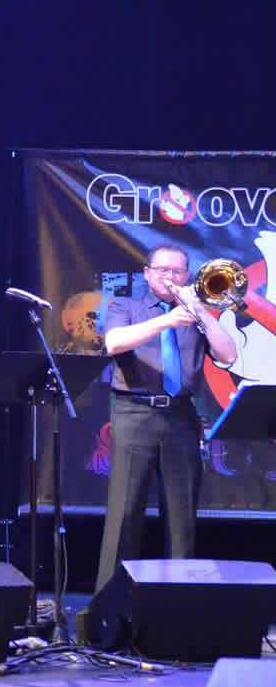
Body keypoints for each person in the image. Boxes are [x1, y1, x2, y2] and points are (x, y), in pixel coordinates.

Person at [92, 244, 237, 594]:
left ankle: (177, 608)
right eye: (163, 270)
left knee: (181, 518)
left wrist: (200, 312)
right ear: (147, 273)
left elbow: (228, 356)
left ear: (187, 275)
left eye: (177, 271)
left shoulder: (196, 314)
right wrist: (167, 320)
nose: (170, 277)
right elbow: (114, 343)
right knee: (125, 516)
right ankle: (108, 612)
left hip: (181, 416)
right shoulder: (126, 306)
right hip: (134, 413)